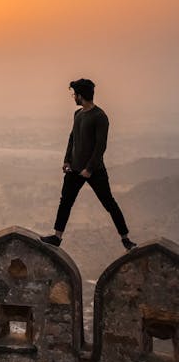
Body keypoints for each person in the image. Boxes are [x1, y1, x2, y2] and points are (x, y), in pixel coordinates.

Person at [41, 78, 136, 251]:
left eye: (74, 94)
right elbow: (72, 138)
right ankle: (57, 237)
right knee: (65, 202)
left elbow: (101, 146)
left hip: (94, 170)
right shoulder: (78, 114)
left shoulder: (100, 116)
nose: (73, 97)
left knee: (109, 203)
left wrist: (89, 169)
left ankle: (126, 239)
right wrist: (66, 160)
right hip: (74, 168)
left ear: (81, 95)